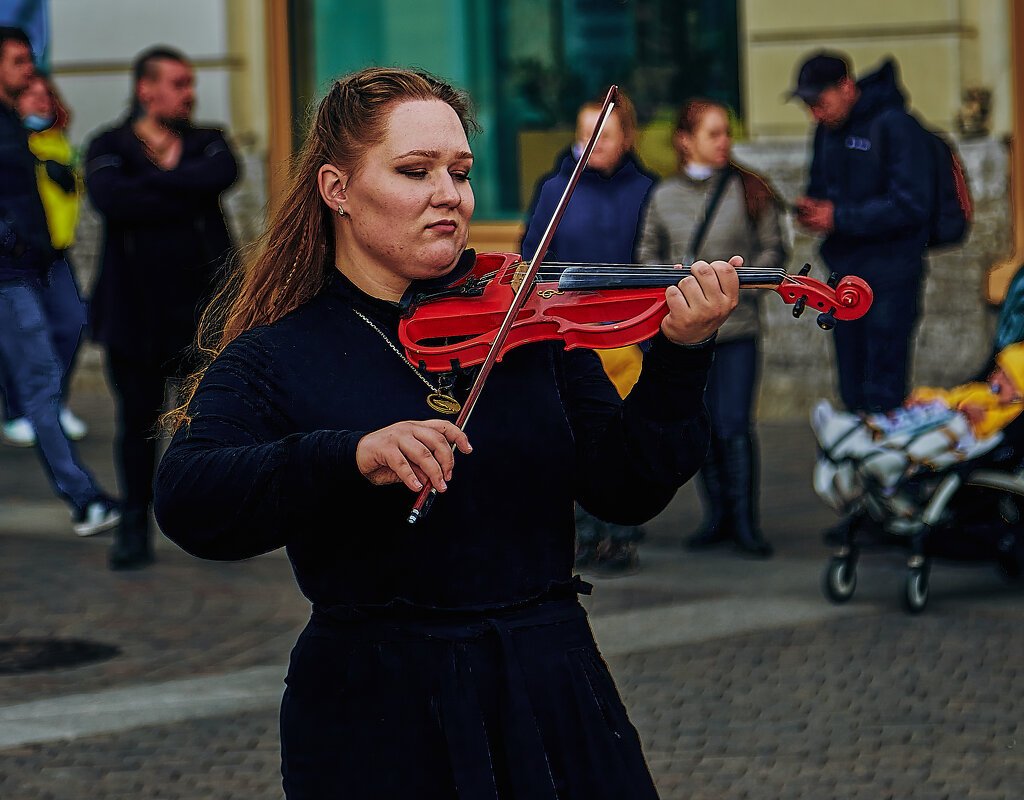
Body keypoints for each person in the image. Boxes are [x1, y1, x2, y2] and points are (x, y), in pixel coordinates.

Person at [153, 67, 740, 798]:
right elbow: (189, 497)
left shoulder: (526, 328)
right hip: (378, 713)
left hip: (551, 687)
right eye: (414, 171)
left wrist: (682, 358)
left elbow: (627, 487)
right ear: (337, 190)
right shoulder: (279, 351)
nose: (449, 195)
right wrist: (349, 457)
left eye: (460, 172)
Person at [85, 46, 238, 570]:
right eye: (179, 83)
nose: (190, 93)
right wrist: (181, 187)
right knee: (137, 425)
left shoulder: (209, 141)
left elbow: (220, 175)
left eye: (191, 82)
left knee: (204, 422)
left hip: (204, 316)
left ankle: (206, 521)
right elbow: (111, 198)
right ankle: (133, 525)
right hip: (134, 318)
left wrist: (149, 183)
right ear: (146, 89)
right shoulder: (107, 144)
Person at [637, 98, 785, 558]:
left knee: (734, 423)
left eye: (726, 133)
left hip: (738, 329)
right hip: (687, 334)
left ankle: (745, 522)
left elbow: (773, 253)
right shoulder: (663, 196)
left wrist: (735, 285)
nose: (725, 142)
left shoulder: (751, 190)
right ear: (686, 141)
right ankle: (716, 517)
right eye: (713, 134)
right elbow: (645, 258)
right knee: (700, 423)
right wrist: (672, 282)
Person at [521, 90, 657, 572]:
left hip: (627, 329)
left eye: (603, 133)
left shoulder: (646, 189)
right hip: (571, 328)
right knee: (573, 427)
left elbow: (654, 261)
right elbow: (533, 256)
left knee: (620, 427)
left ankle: (621, 531)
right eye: (585, 133)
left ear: (626, 138)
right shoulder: (555, 189)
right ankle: (581, 528)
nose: (592, 142)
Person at [0, 27, 119, 535]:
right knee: (42, 382)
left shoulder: (14, 123)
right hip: (10, 275)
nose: (31, 69)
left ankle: (22, 404)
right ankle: (84, 499)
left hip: (46, 265)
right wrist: (10, 240)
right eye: (20, 61)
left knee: (73, 327)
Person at [791, 52, 934, 415]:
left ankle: (885, 464)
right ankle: (859, 460)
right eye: (808, 105)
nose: (814, 114)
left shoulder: (895, 125)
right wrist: (813, 209)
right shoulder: (826, 132)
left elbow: (913, 205)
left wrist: (839, 217)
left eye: (818, 102)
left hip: (891, 274)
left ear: (846, 87)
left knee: (884, 388)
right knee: (851, 389)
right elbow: (821, 188)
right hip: (843, 276)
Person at [812, 334, 1024, 490]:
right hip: (936, 418)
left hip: (960, 435)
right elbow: (951, 396)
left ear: (1023, 390)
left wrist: (974, 416)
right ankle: (851, 428)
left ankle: (887, 455)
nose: (996, 378)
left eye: (1007, 378)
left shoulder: (1012, 409)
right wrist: (927, 398)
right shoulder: (982, 391)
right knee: (902, 420)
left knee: (940, 431)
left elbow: (992, 430)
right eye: (998, 370)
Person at [0, 69, 89, 447]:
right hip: (23, 256)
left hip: (57, 253)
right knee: (22, 335)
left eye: (45, 95)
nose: (40, 101)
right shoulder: (15, 145)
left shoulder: (60, 142)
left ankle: (50, 403)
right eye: (30, 96)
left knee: (71, 324)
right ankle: (19, 410)